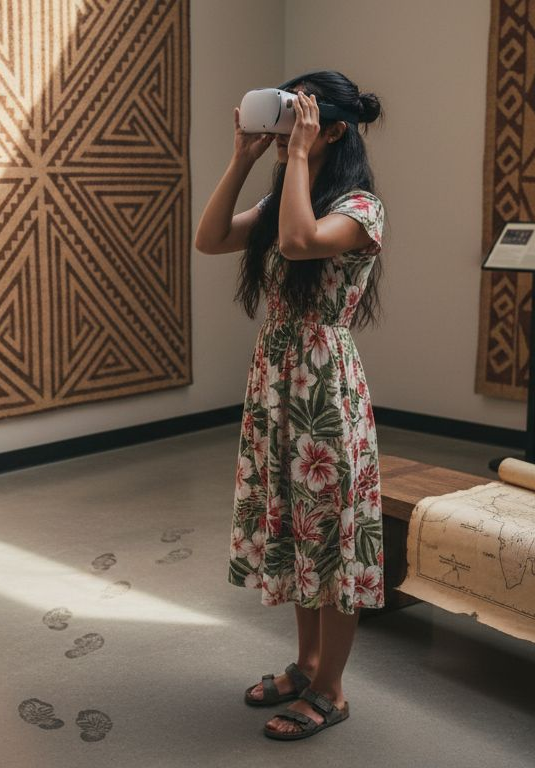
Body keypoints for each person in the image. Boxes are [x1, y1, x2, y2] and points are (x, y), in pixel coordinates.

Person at [194, 70, 386, 741]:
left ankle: (332, 689)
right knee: (299, 530)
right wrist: (244, 158)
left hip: (324, 386)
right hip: (277, 382)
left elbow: (303, 243)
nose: (286, 133)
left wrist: (297, 158)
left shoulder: (361, 209)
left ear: (331, 128)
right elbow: (211, 237)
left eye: (298, 120)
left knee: (331, 536)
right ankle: (305, 665)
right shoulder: (287, 194)